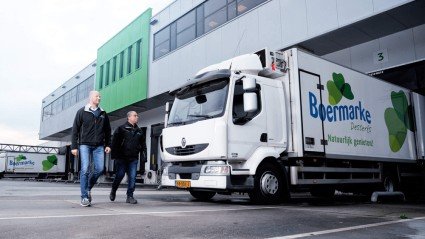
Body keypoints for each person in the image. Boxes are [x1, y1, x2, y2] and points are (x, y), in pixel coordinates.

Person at [71, 91, 111, 207]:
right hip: (84, 144)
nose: (99, 98)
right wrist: (74, 146)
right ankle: (84, 197)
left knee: (99, 169)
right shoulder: (82, 111)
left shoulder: (103, 113)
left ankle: (88, 187)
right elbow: (75, 130)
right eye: (97, 96)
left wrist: (108, 144)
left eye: (100, 96)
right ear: (90, 97)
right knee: (85, 169)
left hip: (99, 145)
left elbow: (108, 130)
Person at [110, 111, 146, 204]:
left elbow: (143, 145)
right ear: (129, 117)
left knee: (133, 177)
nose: (137, 117)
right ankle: (113, 190)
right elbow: (114, 142)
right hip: (121, 157)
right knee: (120, 175)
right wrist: (114, 156)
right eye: (135, 115)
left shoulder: (139, 131)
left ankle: (130, 196)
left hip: (133, 158)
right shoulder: (121, 129)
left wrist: (144, 157)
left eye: (137, 115)